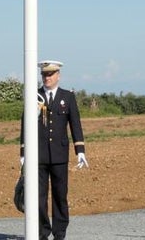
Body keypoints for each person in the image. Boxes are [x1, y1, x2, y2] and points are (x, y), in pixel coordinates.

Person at [19, 60, 87, 240]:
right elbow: (25, 124)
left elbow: (75, 124)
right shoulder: (34, 96)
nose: (46, 77)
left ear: (58, 75)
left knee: (60, 195)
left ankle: (59, 232)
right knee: (39, 197)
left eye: (50, 74)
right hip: (38, 155)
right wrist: (24, 152)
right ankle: (42, 232)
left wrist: (80, 150)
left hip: (59, 155)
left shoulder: (68, 96)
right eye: (44, 74)